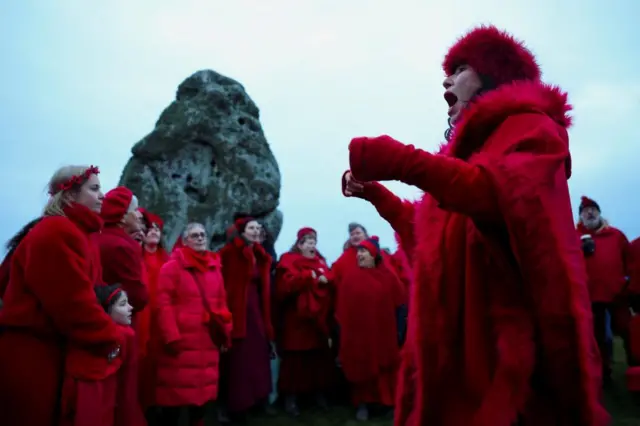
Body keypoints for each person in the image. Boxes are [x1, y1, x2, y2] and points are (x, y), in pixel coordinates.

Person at [342, 25, 608, 425]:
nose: (446, 79)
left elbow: (499, 196)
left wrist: (401, 161)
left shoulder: (533, 128)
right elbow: (429, 236)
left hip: (500, 353)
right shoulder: (460, 160)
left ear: (493, 76)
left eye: (461, 67)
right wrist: (375, 193)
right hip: (453, 348)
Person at [0, 165, 122, 426]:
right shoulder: (57, 232)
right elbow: (72, 303)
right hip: (32, 358)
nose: (103, 196)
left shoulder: (79, 234)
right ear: (69, 196)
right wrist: (112, 339)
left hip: (50, 351)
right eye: (94, 189)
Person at [155, 223, 232, 426]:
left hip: (207, 340)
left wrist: (225, 332)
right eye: (195, 235)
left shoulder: (215, 266)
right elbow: (163, 303)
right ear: (186, 240)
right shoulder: (172, 267)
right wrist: (171, 336)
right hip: (181, 341)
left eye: (202, 235)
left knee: (202, 393)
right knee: (173, 394)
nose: (200, 238)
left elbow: (222, 303)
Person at [335, 236, 405, 421]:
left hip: (384, 333)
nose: (359, 255)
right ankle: (363, 404)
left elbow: (399, 304)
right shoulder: (351, 277)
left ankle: (387, 403)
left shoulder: (388, 277)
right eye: (358, 251)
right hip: (358, 335)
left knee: (385, 368)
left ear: (374, 255)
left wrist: (399, 331)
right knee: (362, 366)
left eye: (363, 251)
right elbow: (342, 309)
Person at [217, 214, 276, 421]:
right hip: (237, 312)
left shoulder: (260, 254)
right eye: (252, 228)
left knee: (257, 356)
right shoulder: (229, 253)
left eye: (258, 229)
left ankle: (258, 399)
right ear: (242, 232)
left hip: (255, 311)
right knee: (238, 361)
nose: (256, 232)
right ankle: (236, 405)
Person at [60, 284, 144, 426]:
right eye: (123, 304)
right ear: (106, 312)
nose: (130, 308)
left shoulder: (124, 337)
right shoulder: (121, 339)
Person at [275, 227, 336, 416]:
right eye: (308, 241)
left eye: (314, 242)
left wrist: (327, 281)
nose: (312, 245)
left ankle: (317, 395)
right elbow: (284, 287)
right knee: (295, 361)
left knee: (317, 359)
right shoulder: (288, 261)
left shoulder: (320, 262)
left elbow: (330, 279)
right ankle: (291, 399)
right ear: (299, 244)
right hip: (297, 320)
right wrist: (306, 277)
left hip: (316, 321)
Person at [577, 195, 632, 382]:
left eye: (593, 210)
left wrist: (628, 282)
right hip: (592, 297)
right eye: (585, 211)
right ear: (580, 217)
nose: (590, 213)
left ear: (599, 213)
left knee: (629, 331)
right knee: (602, 337)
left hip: (618, 294)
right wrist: (579, 250)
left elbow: (629, 260)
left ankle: (635, 366)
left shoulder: (616, 235)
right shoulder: (574, 237)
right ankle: (604, 372)